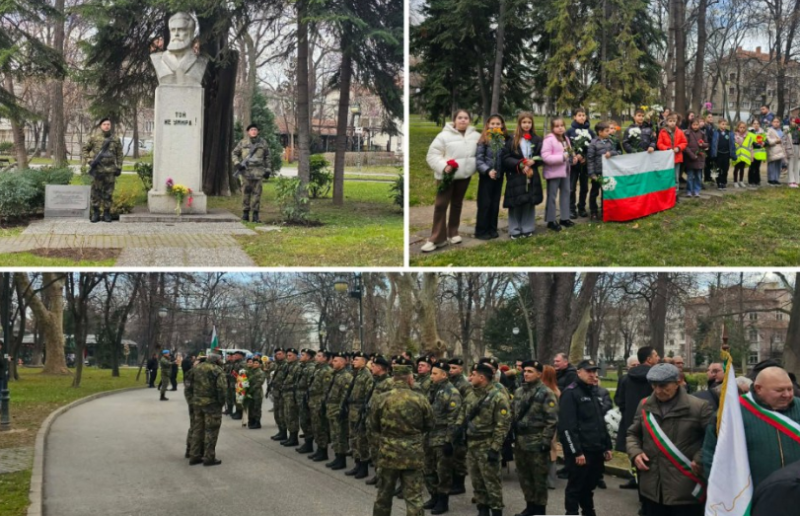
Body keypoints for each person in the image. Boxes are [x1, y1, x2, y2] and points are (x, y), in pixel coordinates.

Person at [626, 363, 713, 516]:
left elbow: (712, 440)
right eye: (654, 385)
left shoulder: (699, 407)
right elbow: (633, 434)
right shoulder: (644, 405)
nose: (658, 391)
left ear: (678, 382)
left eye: (663, 385)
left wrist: (700, 458)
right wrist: (635, 452)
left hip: (685, 490)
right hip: (652, 488)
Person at [703, 366, 800, 490]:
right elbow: (712, 455)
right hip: (752, 497)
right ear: (758, 388)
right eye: (779, 390)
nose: (787, 395)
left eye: (790, 389)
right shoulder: (733, 413)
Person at [370, 361, 434, 516]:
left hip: (388, 453)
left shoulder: (381, 399)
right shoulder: (420, 399)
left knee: (383, 496)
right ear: (410, 379)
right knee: (414, 498)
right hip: (412, 453)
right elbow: (430, 424)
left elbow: (373, 425)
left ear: (393, 379)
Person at [558, 360, 613, 516]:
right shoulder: (570, 393)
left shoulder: (592, 392)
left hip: (596, 449)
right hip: (581, 452)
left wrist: (607, 446)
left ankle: (588, 512)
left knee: (589, 487)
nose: (592, 375)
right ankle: (572, 513)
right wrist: (576, 452)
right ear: (579, 372)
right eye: (588, 371)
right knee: (575, 487)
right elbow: (567, 427)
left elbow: (600, 422)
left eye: (594, 372)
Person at [422, 109, 480, 252]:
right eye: (460, 118)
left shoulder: (476, 136)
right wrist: (443, 166)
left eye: (466, 118)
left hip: (463, 176)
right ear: (454, 120)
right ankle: (436, 238)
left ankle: (453, 232)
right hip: (446, 177)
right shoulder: (443, 136)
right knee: (441, 205)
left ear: (469, 120)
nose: (462, 120)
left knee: (457, 204)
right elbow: (432, 155)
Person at [463, 363, 511, 516]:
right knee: (477, 481)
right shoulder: (471, 394)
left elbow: (502, 425)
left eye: (474, 375)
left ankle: (496, 511)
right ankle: (482, 510)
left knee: (492, 483)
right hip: (472, 444)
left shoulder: (497, 397)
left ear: (482, 377)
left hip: (487, 444)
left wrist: (495, 448)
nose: (470, 377)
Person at [512, 360, 559, 516]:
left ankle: (539, 510)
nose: (525, 373)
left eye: (530, 371)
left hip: (537, 441)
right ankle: (529, 506)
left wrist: (545, 441)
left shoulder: (546, 393)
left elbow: (551, 420)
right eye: (524, 370)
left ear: (539, 374)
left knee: (538, 479)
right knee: (524, 477)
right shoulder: (519, 392)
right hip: (520, 441)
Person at [615, 346, 659, 488]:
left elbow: (619, 401)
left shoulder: (625, 378)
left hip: (630, 421)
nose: (658, 358)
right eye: (656, 355)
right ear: (649, 359)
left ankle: (635, 478)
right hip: (652, 422)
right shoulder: (656, 378)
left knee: (634, 451)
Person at [423, 360, 463, 515]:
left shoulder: (451, 392)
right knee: (428, 467)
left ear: (444, 375)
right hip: (429, 435)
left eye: (434, 373)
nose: (431, 376)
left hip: (442, 436)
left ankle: (443, 500)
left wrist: (449, 440)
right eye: (431, 373)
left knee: (443, 471)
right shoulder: (433, 389)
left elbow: (455, 419)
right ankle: (433, 496)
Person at [501, 111, 543, 239]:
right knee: (516, 201)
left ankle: (527, 227)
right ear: (519, 123)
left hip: (531, 174)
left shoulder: (536, 139)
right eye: (524, 122)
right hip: (516, 175)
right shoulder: (512, 139)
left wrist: (534, 161)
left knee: (529, 201)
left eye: (529, 122)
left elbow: (542, 155)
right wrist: (519, 164)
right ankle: (514, 229)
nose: (526, 125)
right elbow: (506, 157)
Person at [474, 114, 510, 240]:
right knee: (485, 203)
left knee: (495, 203)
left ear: (502, 126)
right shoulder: (484, 140)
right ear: (488, 125)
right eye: (493, 124)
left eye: (498, 124)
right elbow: (479, 160)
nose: (495, 126)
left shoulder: (504, 139)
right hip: (487, 176)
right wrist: (488, 170)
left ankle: (492, 228)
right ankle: (481, 230)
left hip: (499, 176)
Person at [188, 352, 226, 466]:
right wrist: (221, 402)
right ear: (217, 360)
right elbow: (222, 388)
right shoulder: (217, 370)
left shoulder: (196, 368)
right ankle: (209, 457)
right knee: (211, 430)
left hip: (197, 403)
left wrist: (192, 398)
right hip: (211, 404)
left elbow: (188, 384)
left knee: (197, 429)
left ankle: (194, 455)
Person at [82, 117, 122, 223]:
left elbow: (119, 154)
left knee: (108, 193)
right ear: (101, 126)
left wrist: (119, 167)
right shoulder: (94, 138)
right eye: (104, 124)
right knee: (96, 192)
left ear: (110, 126)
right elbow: (84, 149)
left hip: (110, 171)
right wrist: (90, 160)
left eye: (108, 124)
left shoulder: (116, 139)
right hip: (97, 170)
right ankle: (95, 213)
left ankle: (107, 213)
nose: (106, 126)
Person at [541, 118, 578, 233]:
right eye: (557, 126)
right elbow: (546, 157)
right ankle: (551, 220)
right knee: (552, 197)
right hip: (553, 173)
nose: (560, 128)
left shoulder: (566, 138)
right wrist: (562, 157)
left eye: (562, 125)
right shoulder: (549, 140)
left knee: (566, 194)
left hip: (565, 171)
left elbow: (569, 152)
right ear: (552, 128)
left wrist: (573, 158)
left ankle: (564, 218)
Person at [232, 123, 272, 223]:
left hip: (258, 172)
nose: (253, 131)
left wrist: (268, 170)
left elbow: (267, 157)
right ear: (248, 132)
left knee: (257, 193)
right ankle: (245, 214)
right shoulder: (243, 142)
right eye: (251, 130)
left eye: (255, 130)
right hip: (246, 172)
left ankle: (255, 215)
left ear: (257, 131)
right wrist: (237, 164)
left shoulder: (263, 143)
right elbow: (234, 153)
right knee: (245, 193)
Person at [365, 355, 394, 485]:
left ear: (380, 368)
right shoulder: (376, 381)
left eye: (374, 366)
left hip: (382, 421)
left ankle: (384, 478)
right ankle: (378, 474)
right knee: (374, 449)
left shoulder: (388, 382)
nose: (371, 368)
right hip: (373, 419)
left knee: (382, 450)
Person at [345, 351, 374, 479]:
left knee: (361, 441)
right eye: (353, 359)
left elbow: (368, 396)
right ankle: (357, 465)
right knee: (354, 439)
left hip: (360, 410)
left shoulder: (367, 375)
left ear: (364, 361)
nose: (353, 361)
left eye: (356, 359)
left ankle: (363, 467)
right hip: (352, 410)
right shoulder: (357, 374)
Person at [325, 351, 354, 470]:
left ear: (342, 362)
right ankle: (337, 457)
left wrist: (342, 409)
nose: (332, 362)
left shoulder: (346, 376)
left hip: (338, 409)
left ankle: (341, 459)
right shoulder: (335, 374)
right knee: (334, 435)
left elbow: (345, 395)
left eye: (336, 360)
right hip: (331, 408)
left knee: (340, 435)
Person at [586, 121, 621, 220]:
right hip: (597, 173)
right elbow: (590, 159)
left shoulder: (610, 141)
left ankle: (604, 210)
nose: (609, 132)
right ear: (600, 132)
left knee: (606, 192)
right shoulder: (593, 144)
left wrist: (611, 153)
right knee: (594, 192)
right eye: (606, 131)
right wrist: (591, 173)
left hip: (607, 172)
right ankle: (593, 212)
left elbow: (617, 151)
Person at [565, 109, 596, 219]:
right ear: (574, 117)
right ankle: (571, 209)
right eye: (579, 115)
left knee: (584, 187)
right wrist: (574, 156)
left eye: (583, 115)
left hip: (585, 164)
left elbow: (593, 147)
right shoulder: (569, 131)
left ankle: (581, 207)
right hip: (573, 165)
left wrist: (585, 157)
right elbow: (566, 146)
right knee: (571, 187)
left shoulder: (590, 132)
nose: (582, 117)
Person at [448, 357, 471, 495]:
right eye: (450, 368)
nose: (451, 370)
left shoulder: (464, 385)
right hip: (451, 423)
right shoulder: (450, 382)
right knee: (451, 455)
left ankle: (459, 484)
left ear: (461, 369)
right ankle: (453, 481)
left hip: (460, 424)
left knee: (459, 456)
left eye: (454, 368)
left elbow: (467, 405)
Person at [308, 350, 334, 462]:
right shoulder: (317, 369)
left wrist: (322, 404)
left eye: (319, 356)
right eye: (316, 355)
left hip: (319, 402)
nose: (316, 357)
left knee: (321, 427)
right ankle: (319, 449)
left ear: (325, 358)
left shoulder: (327, 371)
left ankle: (323, 451)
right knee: (315, 426)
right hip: (313, 401)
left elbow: (326, 390)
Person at [541, 365, 562, 491]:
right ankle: (550, 478)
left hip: (546, 424)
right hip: (554, 424)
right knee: (552, 450)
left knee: (548, 450)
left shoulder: (547, 392)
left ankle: (548, 479)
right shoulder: (557, 391)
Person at [657, 114, 688, 201]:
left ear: (676, 122)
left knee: (676, 177)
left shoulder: (680, 132)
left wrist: (678, 148)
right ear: (667, 122)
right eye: (670, 121)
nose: (672, 123)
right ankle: (666, 194)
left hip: (677, 158)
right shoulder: (662, 132)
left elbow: (684, 142)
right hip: (666, 159)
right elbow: (659, 144)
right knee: (667, 176)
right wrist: (667, 149)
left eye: (674, 121)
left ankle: (675, 194)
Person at [295, 348, 317, 453]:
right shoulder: (304, 367)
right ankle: (307, 443)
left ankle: (309, 444)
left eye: (302, 355)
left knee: (306, 422)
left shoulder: (310, 368)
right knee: (303, 421)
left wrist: (307, 400)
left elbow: (310, 385)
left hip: (305, 398)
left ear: (308, 357)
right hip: (301, 397)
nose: (300, 356)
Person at [183, 354, 204, 459]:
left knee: (197, 427)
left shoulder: (201, 373)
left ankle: (195, 449)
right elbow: (187, 390)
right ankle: (190, 449)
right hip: (194, 404)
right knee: (195, 427)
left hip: (199, 404)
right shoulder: (190, 374)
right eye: (197, 361)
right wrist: (191, 402)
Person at [279, 348, 302, 447]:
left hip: (292, 395)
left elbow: (296, 382)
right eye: (287, 355)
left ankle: (294, 437)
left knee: (292, 416)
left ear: (296, 356)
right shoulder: (287, 366)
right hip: (286, 394)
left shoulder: (298, 367)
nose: (288, 357)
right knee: (287, 416)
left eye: (290, 355)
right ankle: (290, 436)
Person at [683, 117, 708, 198]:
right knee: (690, 176)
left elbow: (707, 144)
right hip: (690, 158)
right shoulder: (687, 133)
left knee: (698, 176)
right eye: (694, 124)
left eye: (697, 124)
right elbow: (685, 146)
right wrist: (692, 155)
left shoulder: (702, 133)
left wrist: (703, 145)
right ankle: (689, 190)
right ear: (691, 125)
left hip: (700, 158)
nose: (695, 126)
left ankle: (697, 190)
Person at [710, 118, 735, 190]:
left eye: (725, 124)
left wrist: (732, 154)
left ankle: (724, 182)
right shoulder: (716, 132)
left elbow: (732, 144)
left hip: (726, 154)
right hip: (718, 154)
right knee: (718, 169)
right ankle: (719, 183)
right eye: (722, 124)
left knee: (725, 169)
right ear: (719, 124)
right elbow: (713, 144)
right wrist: (713, 154)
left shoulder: (729, 133)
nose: (724, 126)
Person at [767, 117, 792, 185]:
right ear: (772, 123)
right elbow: (767, 139)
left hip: (780, 151)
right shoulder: (770, 130)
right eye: (774, 122)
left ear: (780, 123)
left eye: (777, 122)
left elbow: (784, 139)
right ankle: (771, 179)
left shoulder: (781, 131)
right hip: (773, 149)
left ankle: (776, 178)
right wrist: (775, 141)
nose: (776, 123)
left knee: (778, 165)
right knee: (772, 165)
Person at [269, 348, 287, 436]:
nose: (278, 355)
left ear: (284, 354)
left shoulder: (286, 365)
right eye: (277, 354)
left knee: (282, 414)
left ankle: (284, 433)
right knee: (276, 413)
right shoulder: (277, 365)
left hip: (282, 392)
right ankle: (280, 431)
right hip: (276, 392)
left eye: (280, 354)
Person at [246, 355, 265, 429]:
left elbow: (260, 382)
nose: (255, 364)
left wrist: (252, 389)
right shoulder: (250, 371)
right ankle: (251, 421)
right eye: (254, 363)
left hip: (257, 393)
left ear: (260, 365)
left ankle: (257, 422)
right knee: (251, 407)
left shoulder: (261, 372)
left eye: (257, 363)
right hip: (250, 392)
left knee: (256, 408)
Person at [747, 120, 768, 187]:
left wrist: (764, 143)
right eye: (754, 123)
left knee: (757, 167)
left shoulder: (762, 132)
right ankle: (751, 181)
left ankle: (757, 180)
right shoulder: (749, 132)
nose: (756, 125)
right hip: (752, 152)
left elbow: (766, 140)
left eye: (757, 123)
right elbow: (750, 142)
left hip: (759, 153)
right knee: (752, 167)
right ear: (752, 124)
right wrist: (758, 145)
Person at [703, 113, 717, 184]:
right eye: (709, 117)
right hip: (706, 147)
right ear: (705, 118)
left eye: (711, 117)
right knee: (707, 163)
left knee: (712, 163)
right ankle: (706, 177)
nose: (711, 118)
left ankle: (711, 177)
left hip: (713, 147)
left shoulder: (714, 127)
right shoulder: (704, 127)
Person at [787, 117, 800, 188]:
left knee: (797, 164)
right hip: (790, 147)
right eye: (792, 121)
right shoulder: (788, 130)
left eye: (795, 122)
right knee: (790, 164)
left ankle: (797, 180)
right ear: (790, 122)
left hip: (797, 147)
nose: (794, 123)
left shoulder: (799, 129)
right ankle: (791, 180)